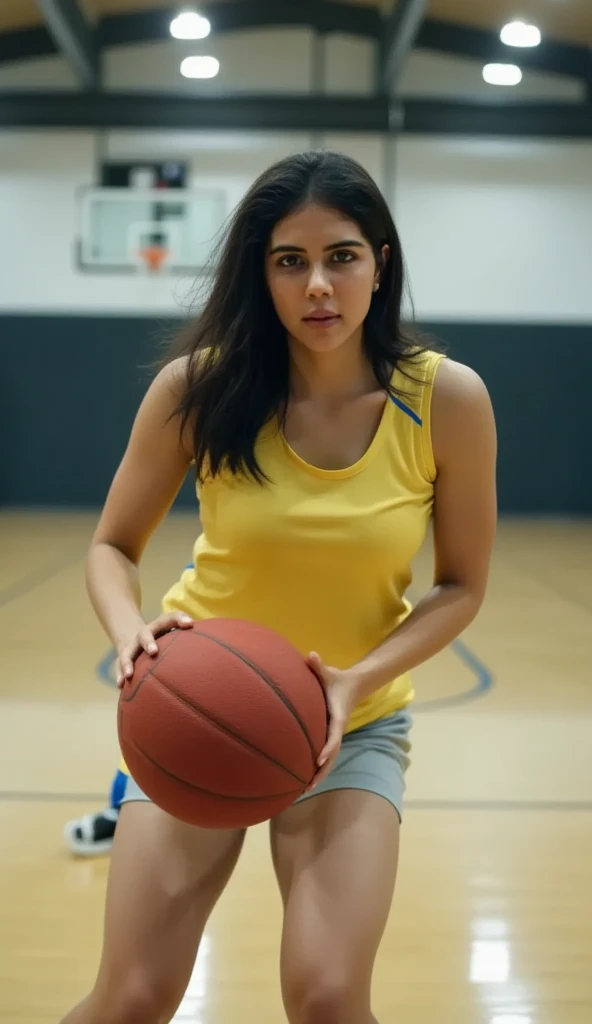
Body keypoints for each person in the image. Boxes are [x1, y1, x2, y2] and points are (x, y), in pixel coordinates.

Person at [60, 150, 497, 1024]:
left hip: (355, 725)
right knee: (133, 997)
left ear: (381, 259)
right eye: (289, 261)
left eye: (341, 256)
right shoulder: (202, 387)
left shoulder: (446, 399)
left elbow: (460, 586)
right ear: (261, 274)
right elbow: (112, 545)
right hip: (198, 707)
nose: (318, 286)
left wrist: (353, 682)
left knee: (329, 996)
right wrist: (128, 635)